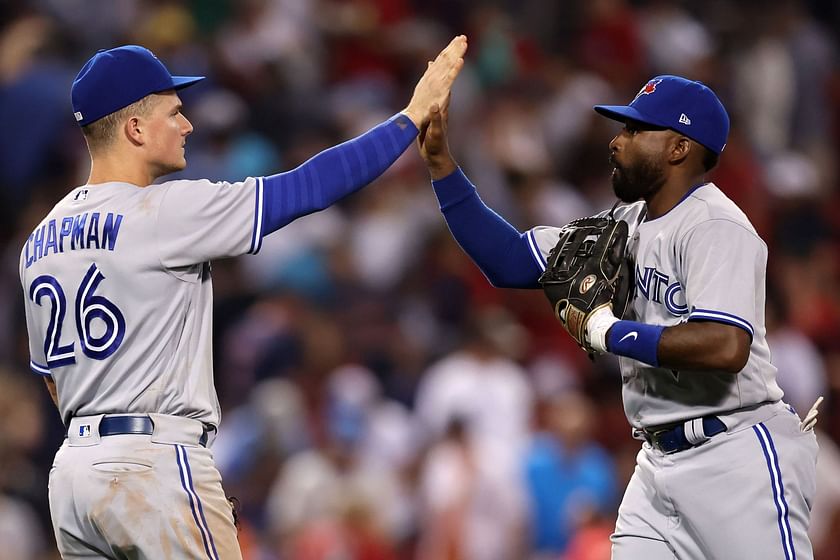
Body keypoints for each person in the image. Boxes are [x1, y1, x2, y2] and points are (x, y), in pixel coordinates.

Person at [20, 37, 466, 559]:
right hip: (154, 460)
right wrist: (410, 117)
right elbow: (309, 187)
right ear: (135, 128)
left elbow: (51, 380)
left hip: (73, 474)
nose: (187, 125)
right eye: (174, 112)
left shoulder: (39, 241)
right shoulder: (162, 212)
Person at [418, 75, 819, 559]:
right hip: (656, 465)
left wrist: (609, 331)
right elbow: (507, 261)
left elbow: (724, 346)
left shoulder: (716, 225)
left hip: (736, 456)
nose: (616, 141)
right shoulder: (620, 226)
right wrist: (442, 166)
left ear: (678, 148)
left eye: (634, 131)